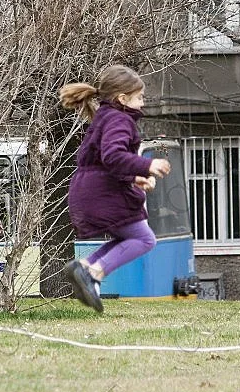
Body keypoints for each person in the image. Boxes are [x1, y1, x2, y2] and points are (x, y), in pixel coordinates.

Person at [59, 65, 171, 313]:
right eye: (139, 97)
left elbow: (103, 161)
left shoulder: (106, 116)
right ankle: (92, 272)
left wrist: (134, 178)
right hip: (102, 194)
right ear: (122, 98)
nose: (143, 103)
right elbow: (112, 155)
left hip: (92, 190)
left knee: (129, 237)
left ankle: (85, 268)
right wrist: (147, 165)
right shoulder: (120, 119)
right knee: (144, 239)